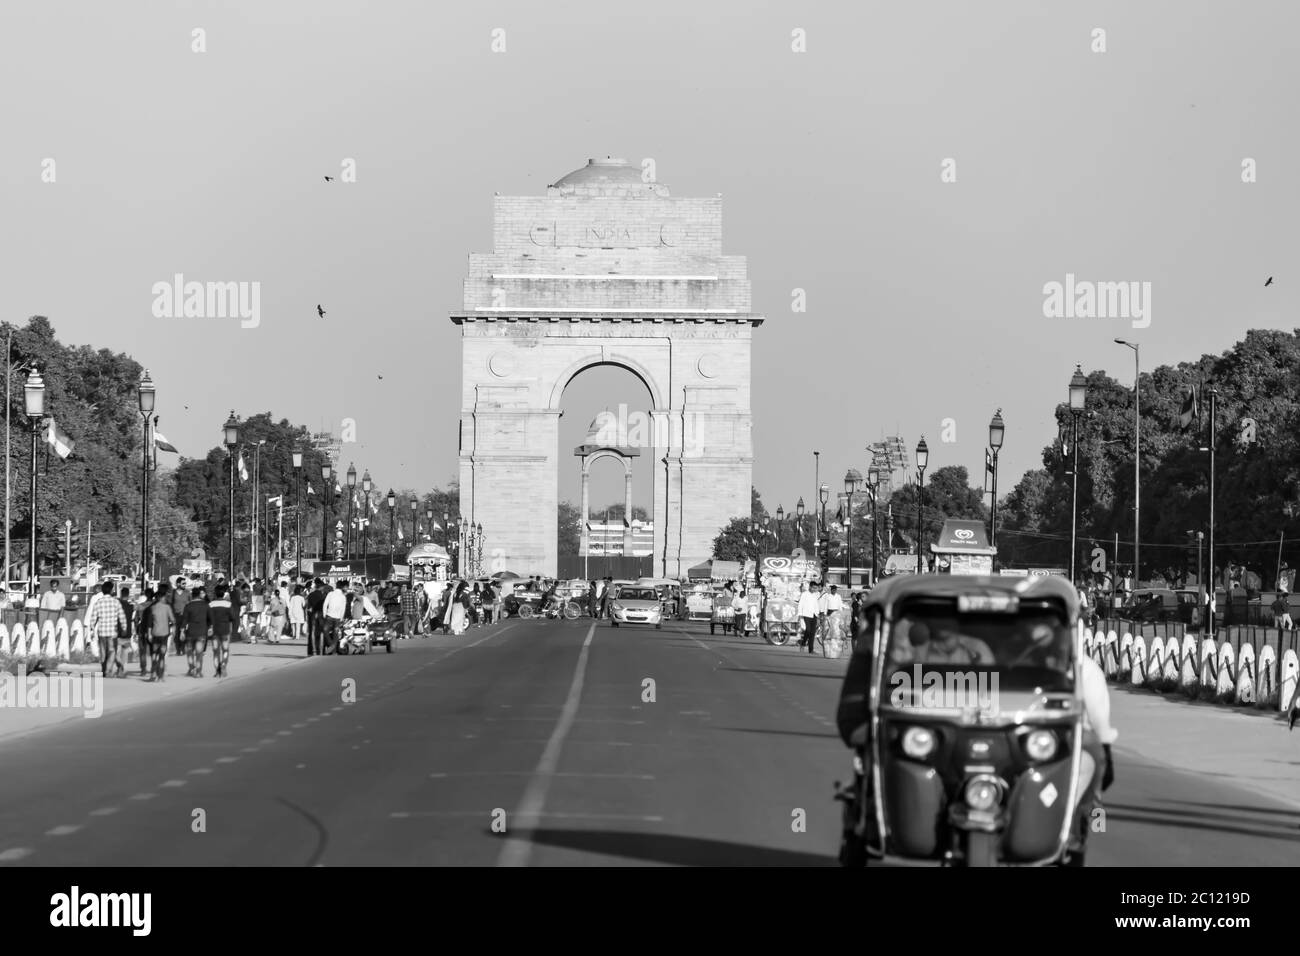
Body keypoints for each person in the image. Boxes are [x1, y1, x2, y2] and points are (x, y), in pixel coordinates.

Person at [86, 581, 128, 679]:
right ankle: (108, 670)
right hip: (112, 632)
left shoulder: (98, 602)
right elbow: (121, 616)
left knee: (103, 652)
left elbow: (93, 617)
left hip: (101, 632)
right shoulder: (115, 602)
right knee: (112, 651)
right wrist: (124, 627)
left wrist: (92, 629)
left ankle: (104, 669)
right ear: (112, 590)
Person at [147, 584, 175, 682]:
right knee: (162, 656)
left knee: (154, 655)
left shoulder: (153, 608)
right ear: (163, 597)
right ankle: (161, 676)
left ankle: (153, 674)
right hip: (164, 634)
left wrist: (149, 633)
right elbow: (173, 620)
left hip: (155, 634)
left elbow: (149, 623)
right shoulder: (167, 607)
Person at [182, 586, 211, 677]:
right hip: (202, 631)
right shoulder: (206, 605)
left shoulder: (188, 606)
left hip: (190, 632)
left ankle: (191, 669)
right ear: (199, 595)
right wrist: (210, 627)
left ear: (192, 595)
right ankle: (198, 671)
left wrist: (182, 631)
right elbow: (210, 618)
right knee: (199, 653)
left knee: (190, 652)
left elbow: (184, 620)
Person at [209, 583, 236, 678]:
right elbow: (233, 617)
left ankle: (217, 670)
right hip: (225, 630)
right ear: (223, 594)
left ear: (215, 593)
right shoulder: (228, 604)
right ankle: (223, 664)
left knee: (216, 652)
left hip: (215, 631)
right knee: (225, 650)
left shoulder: (211, 604)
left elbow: (208, 618)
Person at [323, 580, 348, 653]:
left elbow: (325, 604)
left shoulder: (330, 594)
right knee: (335, 633)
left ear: (336, 586)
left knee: (325, 631)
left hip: (329, 616)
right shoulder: (343, 596)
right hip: (337, 618)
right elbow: (343, 609)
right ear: (342, 587)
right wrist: (341, 618)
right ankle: (333, 647)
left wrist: (324, 614)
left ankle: (332, 646)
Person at [797, 582, 820, 653]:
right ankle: (803, 643)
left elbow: (816, 605)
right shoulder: (804, 594)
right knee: (808, 630)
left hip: (814, 615)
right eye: (813, 588)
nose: (814, 589)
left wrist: (818, 615)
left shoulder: (816, 595)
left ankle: (811, 649)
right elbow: (800, 604)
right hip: (806, 614)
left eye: (816, 588)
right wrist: (800, 614)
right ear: (810, 587)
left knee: (812, 633)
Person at [306, 579, 327, 655]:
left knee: (312, 633)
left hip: (313, 615)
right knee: (322, 633)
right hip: (321, 614)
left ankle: (311, 650)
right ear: (321, 587)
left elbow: (308, 606)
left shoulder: (310, 595)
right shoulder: (323, 595)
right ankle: (322, 650)